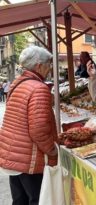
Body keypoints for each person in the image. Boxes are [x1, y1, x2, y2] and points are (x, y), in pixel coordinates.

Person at [0, 45, 58, 205]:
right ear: (39, 65)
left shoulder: (17, 83)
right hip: (29, 159)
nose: (50, 69)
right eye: (48, 64)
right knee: (37, 199)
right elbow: (38, 130)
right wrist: (52, 151)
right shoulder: (39, 88)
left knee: (19, 200)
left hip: (14, 156)